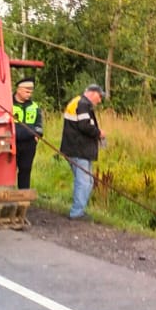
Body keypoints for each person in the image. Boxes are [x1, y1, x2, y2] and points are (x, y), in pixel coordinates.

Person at [61, 83, 104, 220]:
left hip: (77, 149)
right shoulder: (83, 104)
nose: (100, 100)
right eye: (99, 96)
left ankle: (79, 210)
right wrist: (99, 133)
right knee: (83, 182)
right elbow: (84, 126)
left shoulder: (77, 102)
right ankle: (76, 212)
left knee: (88, 181)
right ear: (92, 93)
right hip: (79, 149)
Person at [10, 78, 43, 191]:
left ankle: (24, 194)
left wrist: (37, 136)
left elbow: (39, 124)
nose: (29, 94)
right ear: (18, 89)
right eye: (27, 91)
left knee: (25, 169)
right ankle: (8, 193)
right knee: (9, 170)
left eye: (30, 92)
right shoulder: (8, 104)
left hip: (29, 143)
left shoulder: (34, 106)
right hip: (12, 142)